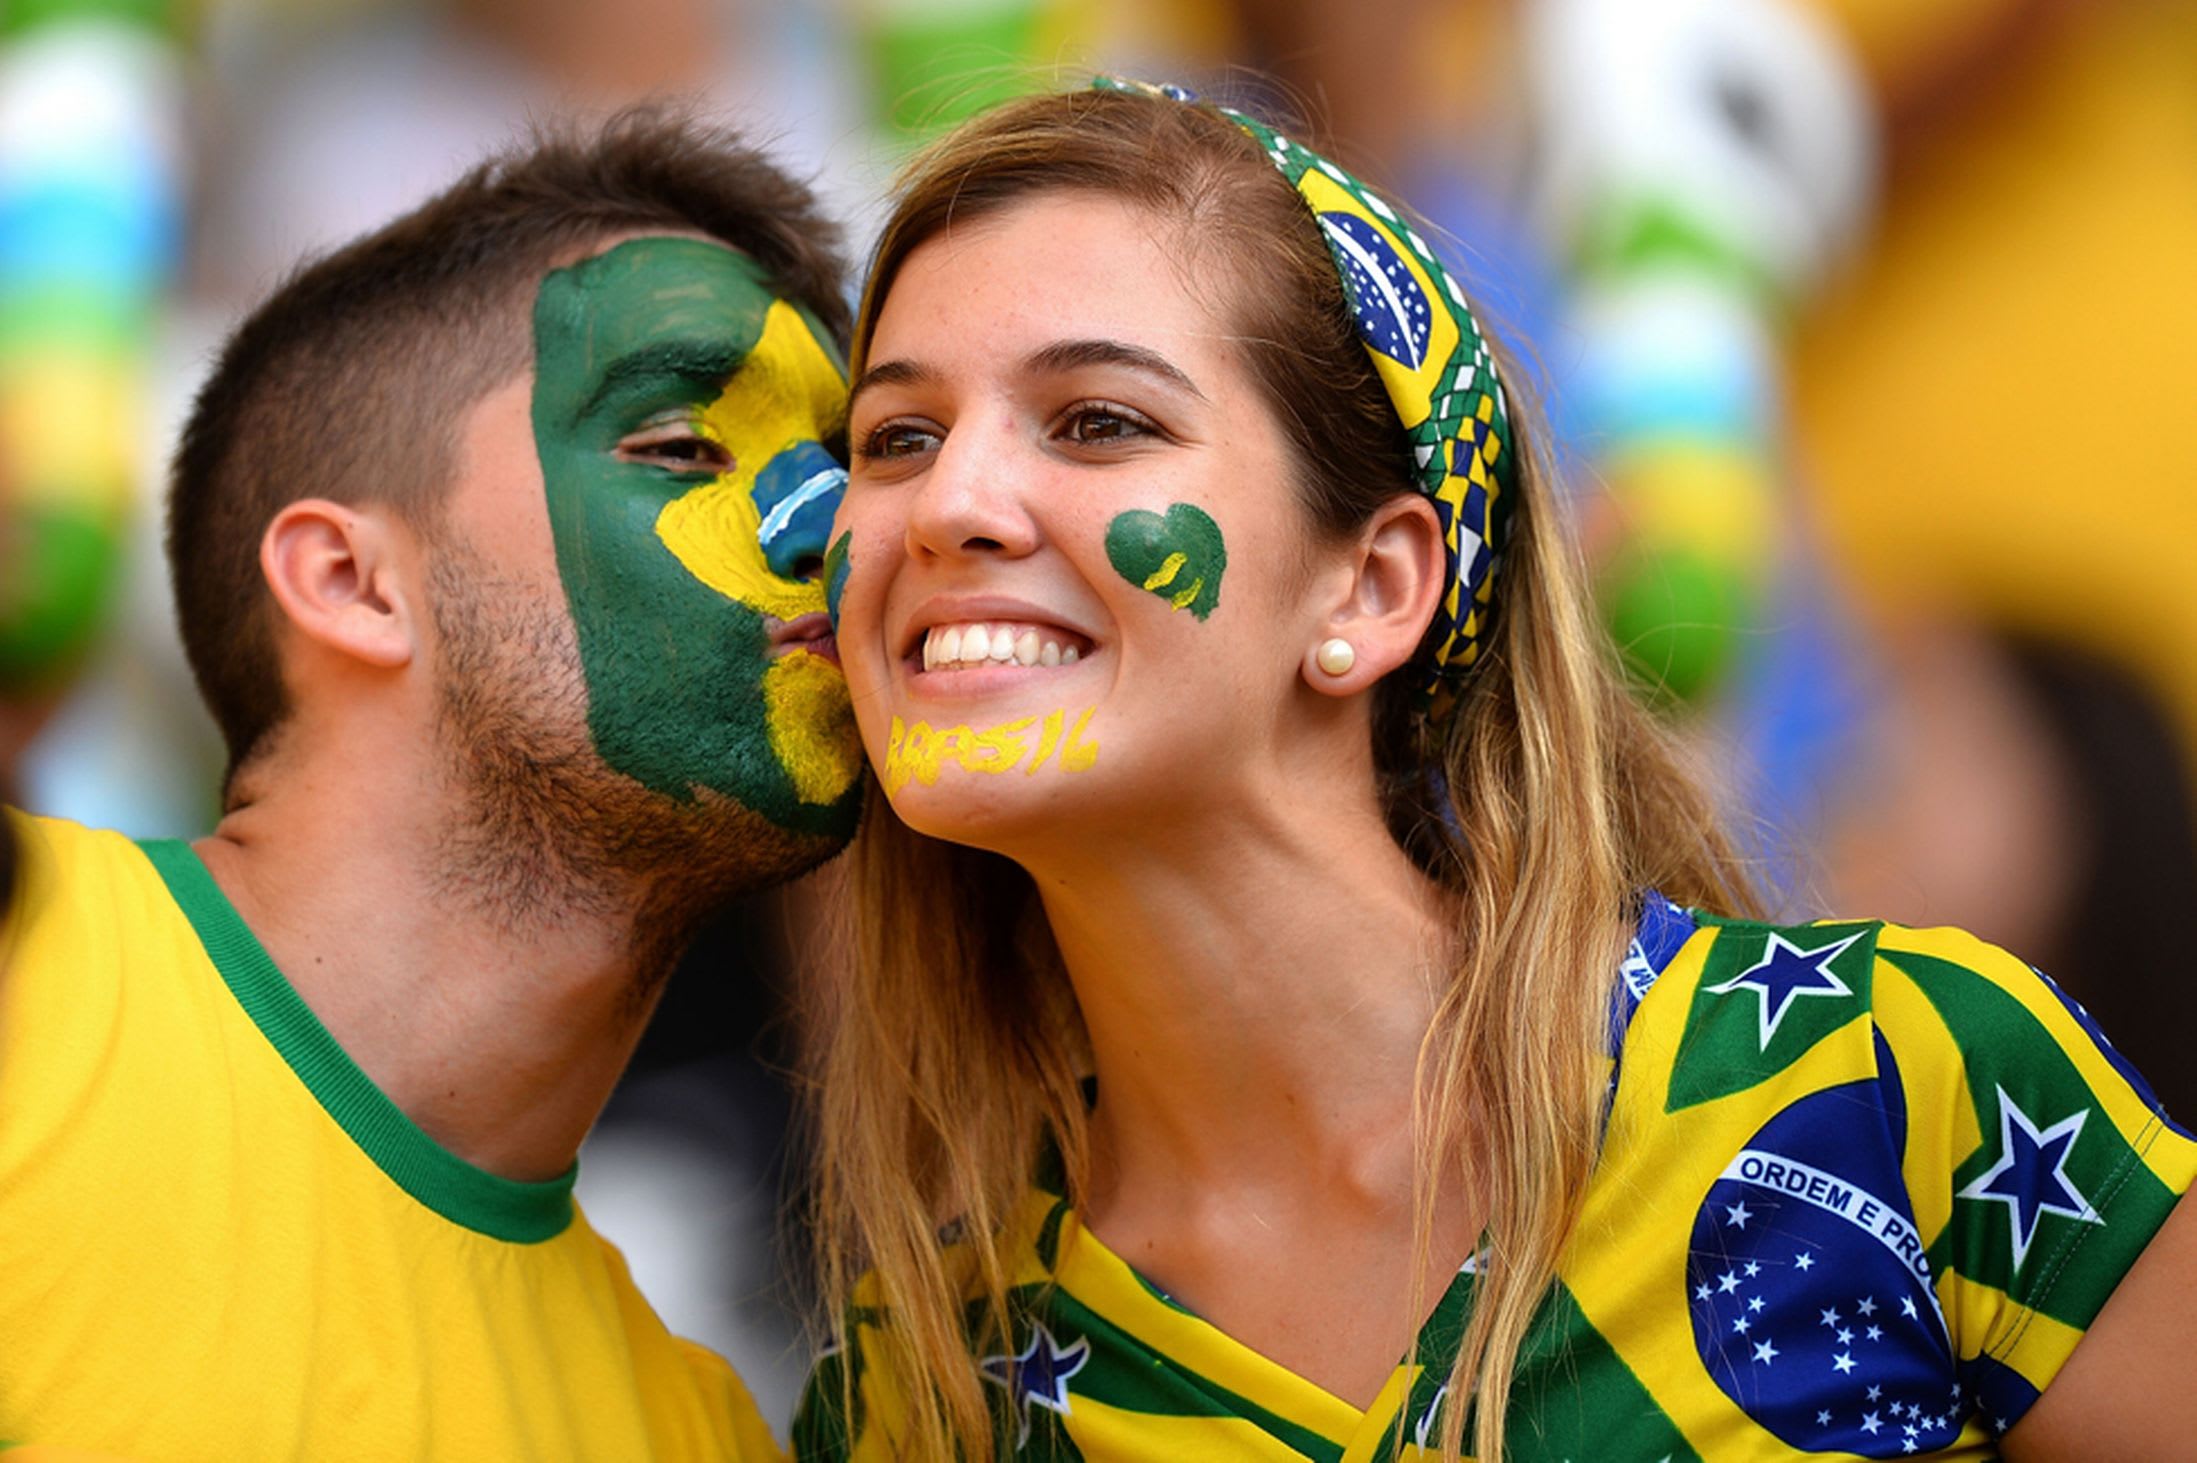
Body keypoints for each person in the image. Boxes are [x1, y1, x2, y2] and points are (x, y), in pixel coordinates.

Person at [792, 81, 2197, 1462]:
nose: (949, 505)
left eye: (1098, 420)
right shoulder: (922, 1385)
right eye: (894, 438)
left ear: (1372, 586)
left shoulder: (1892, 1081)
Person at [0, 110, 864, 1459]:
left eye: (847, 470)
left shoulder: (693, 1438)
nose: (836, 531)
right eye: (685, 450)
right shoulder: (23, 969)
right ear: (349, 584)